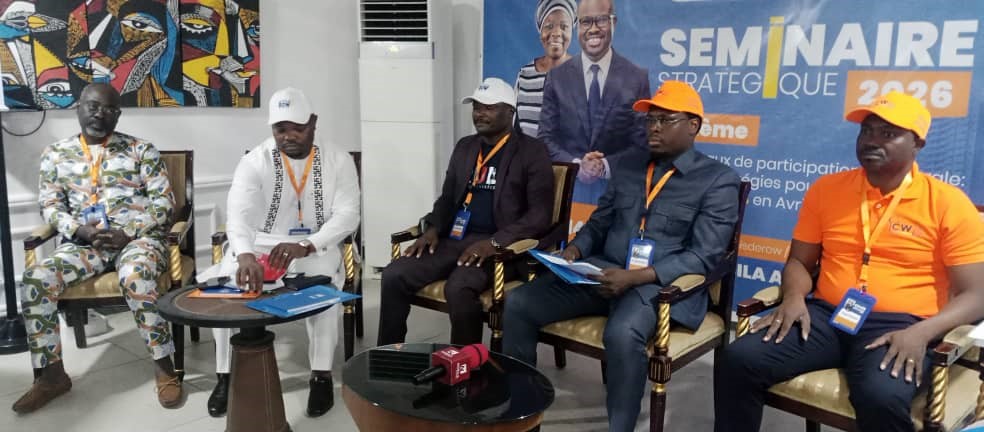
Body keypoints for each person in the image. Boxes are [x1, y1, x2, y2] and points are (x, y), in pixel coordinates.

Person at [713, 91, 984, 432]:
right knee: (738, 360)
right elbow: (798, 262)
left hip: (902, 326)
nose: (872, 140)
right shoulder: (826, 190)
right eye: (866, 131)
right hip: (826, 316)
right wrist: (794, 298)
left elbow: (977, 294)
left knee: (881, 397)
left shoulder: (947, 203)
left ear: (917, 144)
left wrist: (921, 333)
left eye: (888, 133)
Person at [503, 80, 741, 431]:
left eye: (665, 119)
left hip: (659, 287)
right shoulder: (629, 166)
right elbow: (598, 223)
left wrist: (636, 277)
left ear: (693, 125)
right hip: (602, 274)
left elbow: (703, 257)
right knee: (519, 303)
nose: (654, 127)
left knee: (622, 333)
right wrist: (574, 250)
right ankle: (520, 414)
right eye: (650, 119)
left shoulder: (718, 180)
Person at [14, 83, 182, 413]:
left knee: (136, 275)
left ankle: (165, 367)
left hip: (137, 240)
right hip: (84, 243)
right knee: (36, 279)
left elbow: (164, 204)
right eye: (92, 106)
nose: (99, 114)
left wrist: (127, 232)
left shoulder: (141, 150)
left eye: (108, 109)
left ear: (118, 114)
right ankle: (51, 377)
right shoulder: (55, 154)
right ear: (78, 107)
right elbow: (50, 206)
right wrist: (80, 230)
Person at [205, 87, 360, 418]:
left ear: (313, 122)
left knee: (325, 290)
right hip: (260, 243)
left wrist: (306, 245)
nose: (289, 136)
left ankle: (321, 375)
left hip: (315, 244)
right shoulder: (255, 160)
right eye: (280, 129)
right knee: (227, 286)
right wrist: (245, 255)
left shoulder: (338, 159)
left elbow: (348, 215)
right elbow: (239, 214)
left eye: (297, 128)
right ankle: (225, 376)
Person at [377, 77, 555, 346]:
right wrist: (433, 228)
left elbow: (539, 216)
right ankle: (388, 355)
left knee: (459, 288)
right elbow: (447, 199)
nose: (479, 114)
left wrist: (494, 243)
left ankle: (464, 366)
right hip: (455, 239)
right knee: (394, 275)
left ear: (510, 111)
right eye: (476, 107)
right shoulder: (465, 147)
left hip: (501, 249)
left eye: (488, 108)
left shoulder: (532, 151)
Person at [537, 0, 650, 203]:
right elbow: (545, 138)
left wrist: (605, 166)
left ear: (613, 22)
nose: (593, 29)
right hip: (569, 195)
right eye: (586, 22)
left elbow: (642, 144)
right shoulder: (557, 77)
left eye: (601, 20)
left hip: (618, 197)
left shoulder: (636, 78)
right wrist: (577, 166)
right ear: (577, 26)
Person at [514, 0, 576, 137]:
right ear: (540, 30)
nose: (556, 33)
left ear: (572, 31)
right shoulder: (525, 75)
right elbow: (516, 131)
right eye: (549, 26)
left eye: (564, 26)